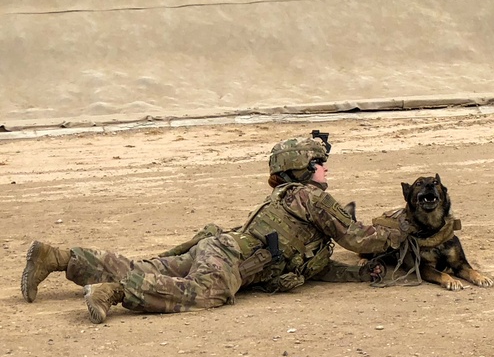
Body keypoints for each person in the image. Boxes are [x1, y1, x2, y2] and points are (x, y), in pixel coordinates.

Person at [20, 132, 408, 323]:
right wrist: (403, 231)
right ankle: (116, 292)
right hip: (230, 257)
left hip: (220, 247)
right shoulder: (311, 198)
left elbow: (314, 268)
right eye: (320, 163)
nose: (326, 169)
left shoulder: (288, 200)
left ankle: (56, 256)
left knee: (146, 266)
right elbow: (357, 238)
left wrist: (359, 275)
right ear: (303, 169)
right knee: (204, 294)